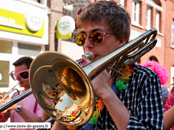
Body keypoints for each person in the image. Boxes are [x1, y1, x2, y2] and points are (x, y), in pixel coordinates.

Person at [51, 1, 164, 130]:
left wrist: (106, 92)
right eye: (82, 37)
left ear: (121, 41)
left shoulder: (145, 78)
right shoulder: (77, 78)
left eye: (96, 36)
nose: (87, 44)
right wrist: (64, 111)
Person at [0, 57, 44, 130]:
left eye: (23, 74)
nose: (17, 78)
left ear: (33, 73)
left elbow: (41, 125)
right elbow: (0, 121)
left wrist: (17, 107)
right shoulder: (15, 94)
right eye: (15, 75)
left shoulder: (41, 96)